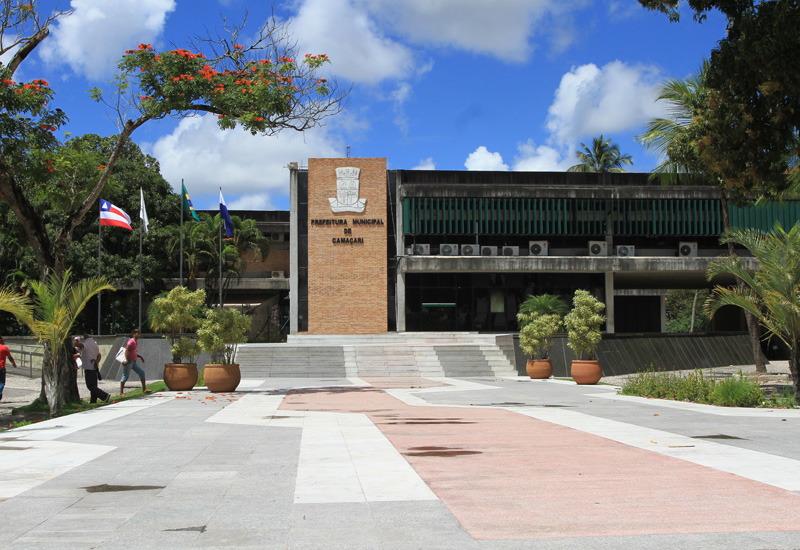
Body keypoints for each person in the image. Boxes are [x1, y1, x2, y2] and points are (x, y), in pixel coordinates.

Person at [76, 333, 110, 403]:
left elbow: (81, 345)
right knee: (94, 385)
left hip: (88, 366)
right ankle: (93, 400)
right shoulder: (94, 343)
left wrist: (75, 343)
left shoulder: (87, 342)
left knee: (90, 385)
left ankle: (104, 395)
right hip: (93, 365)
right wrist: (96, 363)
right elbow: (99, 355)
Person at [120, 329, 150, 395]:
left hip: (133, 362)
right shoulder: (131, 342)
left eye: (139, 333)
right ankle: (121, 392)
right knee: (125, 376)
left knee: (141, 372)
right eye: (137, 333)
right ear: (133, 334)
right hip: (129, 361)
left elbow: (133, 352)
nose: (139, 335)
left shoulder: (135, 342)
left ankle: (144, 389)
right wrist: (127, 360)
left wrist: (140, 357)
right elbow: (127, 351)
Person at [0, 335, 18, 402]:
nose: (4, 341)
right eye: (3, 340)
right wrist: (14, 364)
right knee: (1, 382)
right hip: (1, 368)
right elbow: (10, 357)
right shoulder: (4, 348)